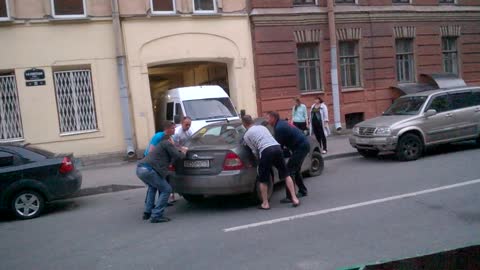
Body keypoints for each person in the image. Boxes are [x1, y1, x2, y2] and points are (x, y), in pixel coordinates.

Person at [242, 115, 300, 210]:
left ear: (244, 124)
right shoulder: (262, 127)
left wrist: (259, 160)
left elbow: (254, 150)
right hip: (277, 147)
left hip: (265, 151)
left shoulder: (246, 135)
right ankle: (294, 198)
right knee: (286, 174)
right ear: (252, 121)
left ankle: (265, 203)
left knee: (263, 179)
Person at [136, 121, 188, 223]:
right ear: (167, 132)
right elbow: (178, 156)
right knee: (166, 189)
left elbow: (169, 152)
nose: (174, 130)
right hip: (149, 169)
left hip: (141, 168)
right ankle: (156, 215)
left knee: (153, 187)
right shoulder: (164, 140)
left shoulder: (164, 143)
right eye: (172, 128)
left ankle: (147, 211)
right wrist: (184, 152)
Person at [266, 111, 310, 203]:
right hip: (302, 145)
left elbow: (278, 146)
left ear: (273, 118)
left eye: (268, 118)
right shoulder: (281, 124)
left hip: (300, 147)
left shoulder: (279, 127)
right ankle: (302, 190)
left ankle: (290, 196)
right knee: (295, 169)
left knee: (289, 171)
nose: (267, 120)